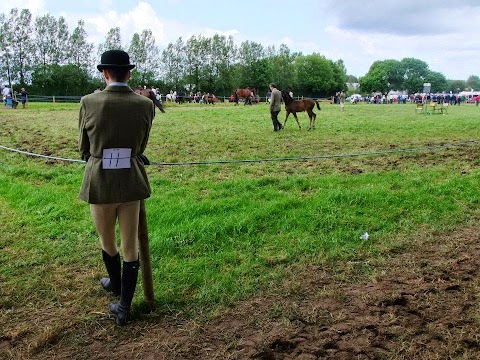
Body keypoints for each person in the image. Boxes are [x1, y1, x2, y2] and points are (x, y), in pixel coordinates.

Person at [78, 50, 155, 326]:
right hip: (131, 180)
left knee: (108, 242)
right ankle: (123, 305)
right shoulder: (145, 105)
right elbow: (141, 146)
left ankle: (117, 287)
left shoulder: (89, 102)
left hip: (100, 182)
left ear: (105, 73)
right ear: (129, 74)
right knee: (130, 246)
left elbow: (83, 148)